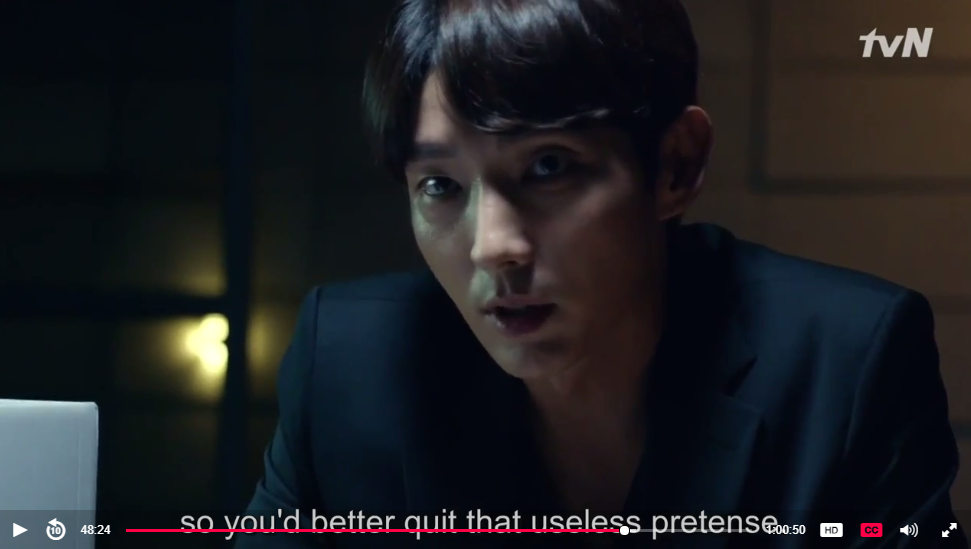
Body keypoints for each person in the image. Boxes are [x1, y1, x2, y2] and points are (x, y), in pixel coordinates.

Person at [237, 0, 965, 547]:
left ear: (676, 165)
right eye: (440, 186)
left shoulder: (845, 361)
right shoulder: (352, 363)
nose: (493, 246)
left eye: (548, 167)